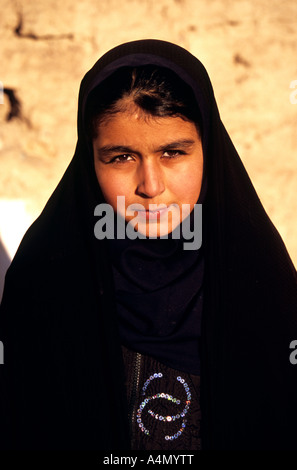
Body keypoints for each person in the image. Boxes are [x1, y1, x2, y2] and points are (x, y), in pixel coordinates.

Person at [0, 39, 297, 451]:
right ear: (90, 160)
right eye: (121, 157)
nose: (151, 186)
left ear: (208, 150)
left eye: (173, 152)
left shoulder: (260, 282)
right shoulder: (43, 282)